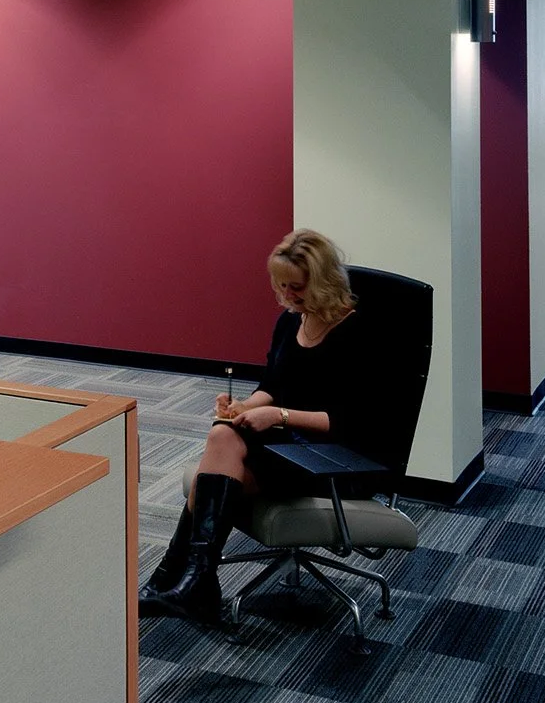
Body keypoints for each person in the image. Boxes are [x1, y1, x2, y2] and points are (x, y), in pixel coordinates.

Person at [140, 228, 387, 625]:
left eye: (297, 288)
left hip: (337, 460)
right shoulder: (291, 323)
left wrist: (279, 416)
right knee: (223, 437)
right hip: (290, 446)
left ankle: (177, 579)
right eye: (282, 285)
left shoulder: (359, 334)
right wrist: (244, 407)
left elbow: (352, 421)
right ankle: (191, 582)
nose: (287, 296)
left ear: (323, 283)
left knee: (212, 474)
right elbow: (272, 386)